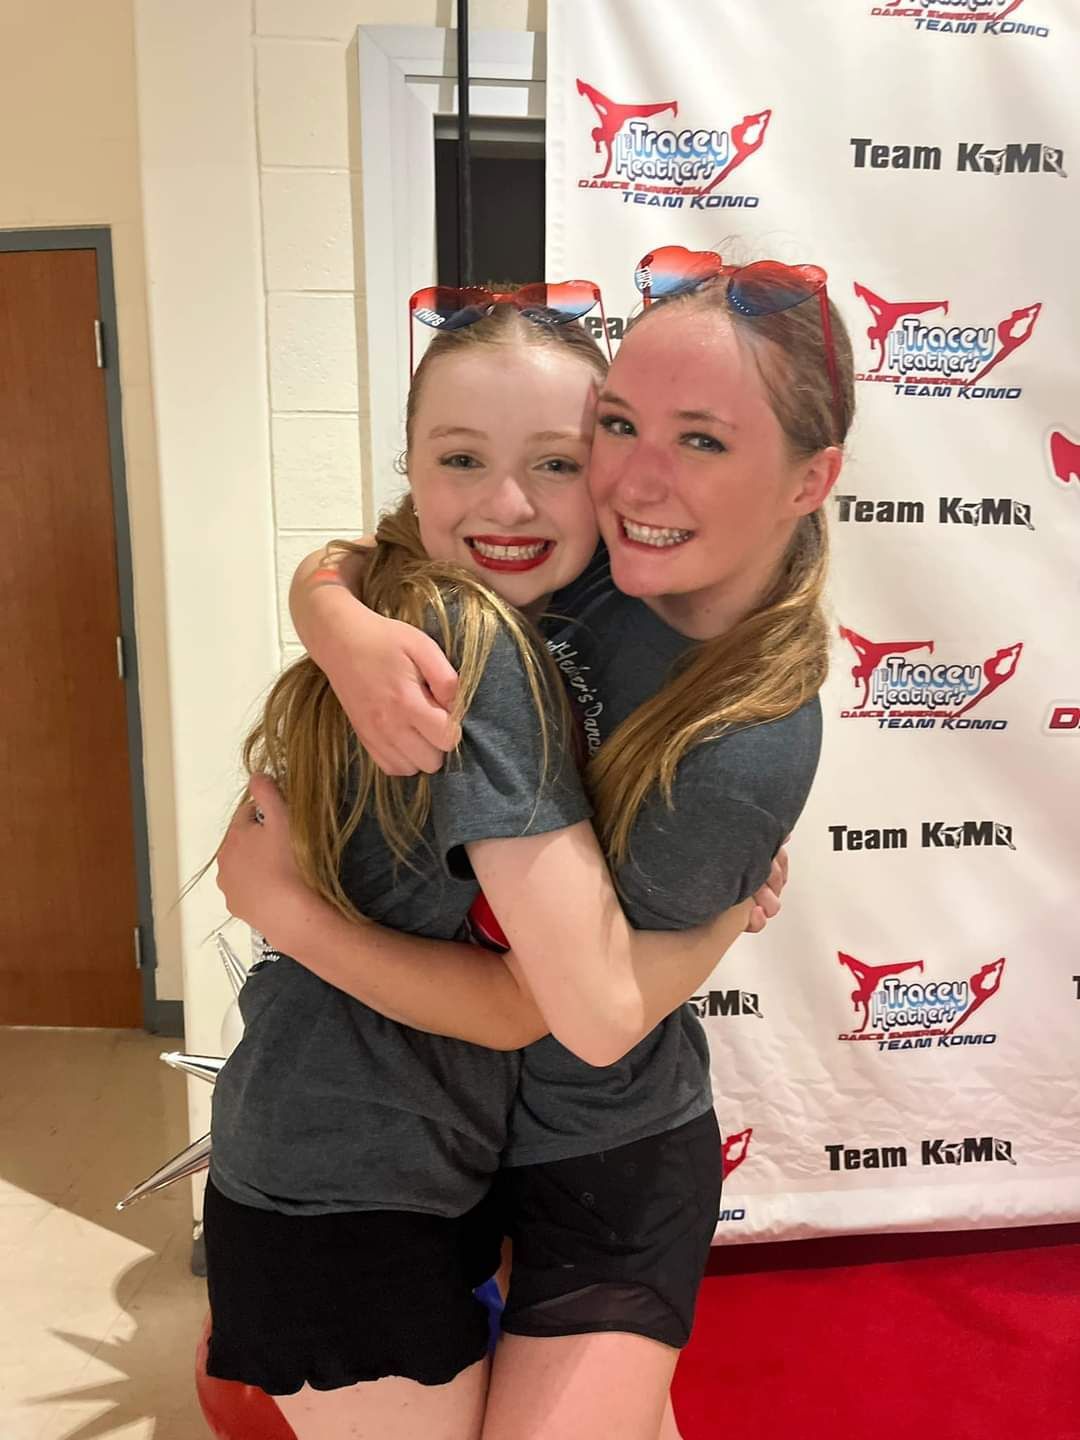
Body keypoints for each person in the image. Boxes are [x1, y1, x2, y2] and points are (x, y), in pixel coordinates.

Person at [218, 249, 856, 1440]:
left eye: (558, 461)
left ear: (807, 479)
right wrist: (331, 610)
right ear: (411, 468)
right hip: (365, 1156)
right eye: (623, 429)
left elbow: (581, 1014)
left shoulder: (625, 603)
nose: (511, 504)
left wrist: (286, 908)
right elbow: (362, 551)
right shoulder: (495, 613)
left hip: (575, 1138)